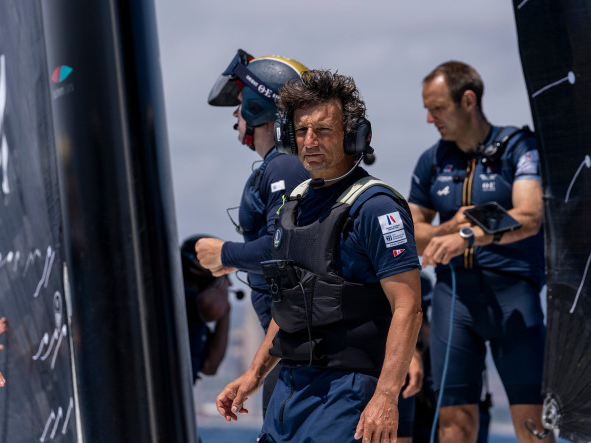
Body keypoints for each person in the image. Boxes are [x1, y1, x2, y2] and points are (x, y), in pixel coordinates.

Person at [215, 69, 423, 443]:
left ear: (354, 135)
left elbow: (408, 307)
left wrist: (385, 397)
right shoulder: (291, 209)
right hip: (289, 395)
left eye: (323, 130)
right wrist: (254, 375)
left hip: (348, 397)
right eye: (300, 131)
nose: (310, 141)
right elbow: (291, 305)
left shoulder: (376, 207)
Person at [408, 60, 550, 442]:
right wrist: (449, 227)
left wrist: (469, 236)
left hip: (513, 294)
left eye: (437, 108)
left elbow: (531, 215)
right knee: (455, 424)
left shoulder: (518, 147)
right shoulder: (433, 160)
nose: (428, 118)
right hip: (455, 300)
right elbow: (409, 232)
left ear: (468, 100)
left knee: (534, 425)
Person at [197, 50, 310, 415]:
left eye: (242, 104)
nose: (236, 114)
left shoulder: (285, 166)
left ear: (260, 111)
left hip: (302, 355)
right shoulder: (281, 166)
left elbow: (286, 249)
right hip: (287, 351)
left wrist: (224, 255)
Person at [181, 235, 231, 384]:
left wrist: (227, 310)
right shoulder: (182, 296)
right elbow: (213, 308)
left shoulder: (198, 313)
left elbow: (211, 366)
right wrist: (216, 279)